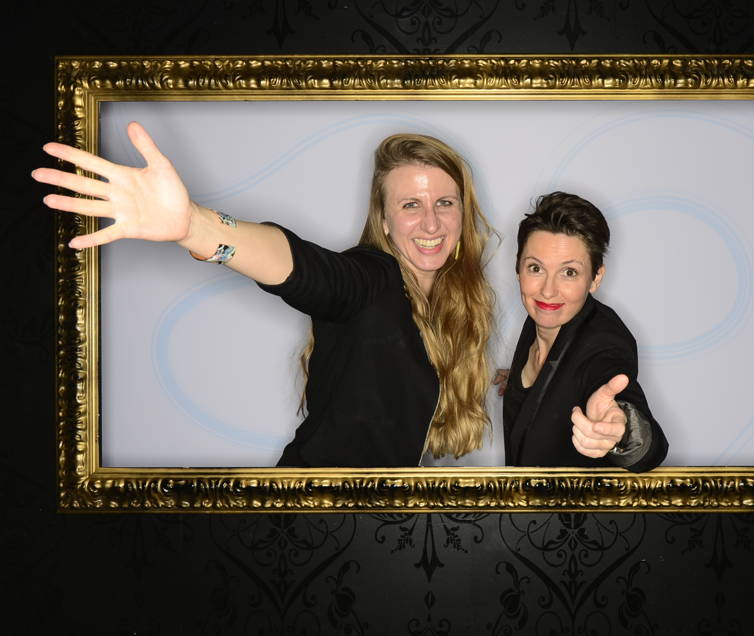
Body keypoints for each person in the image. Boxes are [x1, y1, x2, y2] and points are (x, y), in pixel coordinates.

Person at [33, 122, 495, 467]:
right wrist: (196, 226)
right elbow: (305, 267)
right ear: (385, 221)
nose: (431, 222)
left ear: (462, 213)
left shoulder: (449, 305)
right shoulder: (370, 280)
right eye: (411, 204)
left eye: (445, 203)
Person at [501, 191, 668, 471]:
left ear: (595, 278)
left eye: (569, 272)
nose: (548, 290)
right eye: (535, 268)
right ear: (518, 268)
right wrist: (521, 382)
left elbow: (647, 444)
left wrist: (622, 433)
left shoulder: (605, 343)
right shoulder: (543, 319)